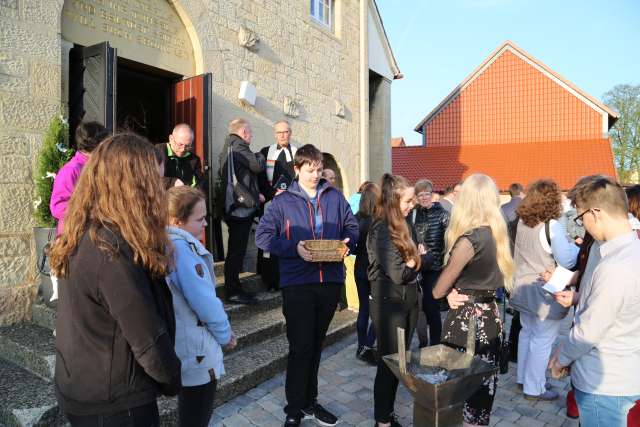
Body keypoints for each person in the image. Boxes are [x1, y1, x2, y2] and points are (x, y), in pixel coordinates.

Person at [49, 133, 181, 426]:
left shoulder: (87, 231)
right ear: (135, 188)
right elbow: (147, 339)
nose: (160, 192)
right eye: (155, 183)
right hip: (115, 402)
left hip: (84, 383)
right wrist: (173, 378)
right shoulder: (111, 250)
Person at [256, 144, 358, 427]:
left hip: (330, 282)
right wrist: (293, 248)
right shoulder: (282, 202)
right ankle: (294, 408)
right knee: (300, 347)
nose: (315, 175)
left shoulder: (335, 197)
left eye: (318, 169)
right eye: (309, 170)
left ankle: (310, 402)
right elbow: (263, 237)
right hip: (298, 283)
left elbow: (352, 227)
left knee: (316, 345)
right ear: (297, 169)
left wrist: (349, 242)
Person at [548, 176, 640, 427]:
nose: (583, 225)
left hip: (605, 384)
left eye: (581, 217)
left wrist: (561, 359)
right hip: (618, 372)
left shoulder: (617, 266)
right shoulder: (625, 251)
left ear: (596, 212)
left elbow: (590, 330)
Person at [433, 173, 515, 427]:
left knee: (461, 392)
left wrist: (448, 293)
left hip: (466, 321)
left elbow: (437, 291)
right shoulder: (499, 236)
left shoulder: (471, 240)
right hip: (491, 317)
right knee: (482, 393)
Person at [165, 186, 236, 427]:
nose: (205, 224)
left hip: (188, 347)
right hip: (196, 351)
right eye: (200, 219)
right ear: (177, 221)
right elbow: (206, 304)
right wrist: (226, 335)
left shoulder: (170, 244)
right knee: (196, 416)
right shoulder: (182, 250)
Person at [367, 174, 432, 427]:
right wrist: (418, 260)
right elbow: (399, 273)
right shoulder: (381, 228)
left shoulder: (406, 224)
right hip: (389, 304)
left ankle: (388, 414)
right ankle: (382, 421)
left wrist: (416, 260)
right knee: (389, 364)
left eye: (412, 200)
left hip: (408, 300)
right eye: (407, 200)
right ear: (394, 200)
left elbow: (422, 258)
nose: (412, 204)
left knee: (400, 362)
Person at [509, 179, 578, 401]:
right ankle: (534, 387)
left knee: (527, 333)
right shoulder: (552, 225)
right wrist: (576, 247)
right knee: (542, 339)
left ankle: (523, 379)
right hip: (544, 291)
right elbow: (566, 260)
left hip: (522, 286)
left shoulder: (522, 222)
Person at [49, 121, 109, 304]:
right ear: (97, 144)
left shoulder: (100, 167)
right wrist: (91, 211)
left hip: (97, 237)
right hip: (76, 240)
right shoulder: (71, 170)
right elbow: (58, 206)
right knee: (77, 299)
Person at [219, 118, 265, 304]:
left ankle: (235, 287)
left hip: (233, 206)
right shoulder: (239, 146)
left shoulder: (228, 146)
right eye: (250, 132)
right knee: (237, 251)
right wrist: (261, 155)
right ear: (244, 132)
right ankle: (233, 291)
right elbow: (257, 165)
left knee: (235, 250)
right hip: (240, 208)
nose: (251, 136)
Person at [257, 120, 297, 291]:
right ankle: (269, 280)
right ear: (275, 134)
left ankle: (286, 279)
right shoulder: (266, 152)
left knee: (287, 238)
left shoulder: (298, 153)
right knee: (269, 238)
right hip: (270, 202)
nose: (282, 135)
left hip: (291, 205)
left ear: (290, 133)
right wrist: (272, 193)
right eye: (279, 132)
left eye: (286, 132)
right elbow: (259, 177)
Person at [410, 179, 450, 347]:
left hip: (434, 268)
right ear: (417, 197)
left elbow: (450, 241)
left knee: (431, 307)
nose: (424, 197)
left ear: (432, 194)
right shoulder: (413, 213)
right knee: (418, 307)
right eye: (421, 195)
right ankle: (423, 341)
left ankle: (435, 343)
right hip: (417, 266)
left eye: (427, 194)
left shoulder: (443, 214)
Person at [353, 182, 379, 365]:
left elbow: (352, 247)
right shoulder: (378, 221)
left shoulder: (355, 219)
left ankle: (361, 346)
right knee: (378, 311)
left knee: (363, 309)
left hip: (359, 267)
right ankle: (368, 345)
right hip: (374, 270)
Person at [157, 123, 206, 191]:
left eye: (187, 146)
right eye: (180, 144)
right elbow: (149, 177)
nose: (183, 149)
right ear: (171, 139)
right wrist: (172, 182)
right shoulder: (157, 152)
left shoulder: (194, 160)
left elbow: (199, 183)